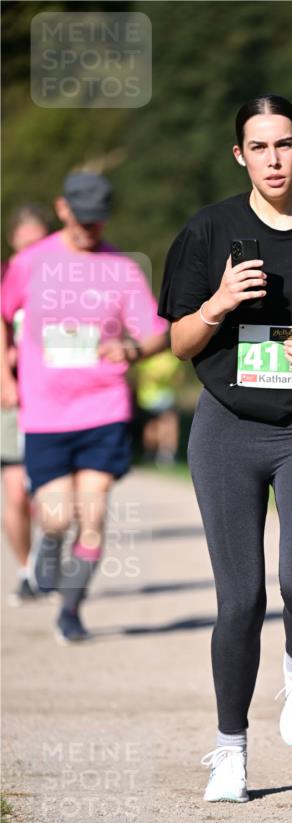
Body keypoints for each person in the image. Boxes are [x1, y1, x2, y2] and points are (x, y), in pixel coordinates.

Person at [158, 93, 292, 803]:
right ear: (240, 155)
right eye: (259, 147)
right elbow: (179, 342)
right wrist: (219, 302)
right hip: (227, 427)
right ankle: (230, 751)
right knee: (240, 600)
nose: (273, 159)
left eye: (284, 144)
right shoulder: (209, 230)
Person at [1, 172, 169, 642]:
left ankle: (71, 611)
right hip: (45, 412)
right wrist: (4, 377)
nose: (90, 229)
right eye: (82, 219)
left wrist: (132, 349)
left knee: (91, 516)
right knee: (57, 516)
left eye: (98, 220)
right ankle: (49, 544)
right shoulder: (30, 263)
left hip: (103, 407)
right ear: (62, 209)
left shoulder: (121, 268)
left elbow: (158, 332)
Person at [1, 204, 51, 605]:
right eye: (27, 244)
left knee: (49, 496)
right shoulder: (7, 277)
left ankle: (46, 562)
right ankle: (26, 570)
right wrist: (5, 377)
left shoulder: (62, 279)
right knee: (17, 493)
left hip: (54, 399)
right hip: (14, 397)